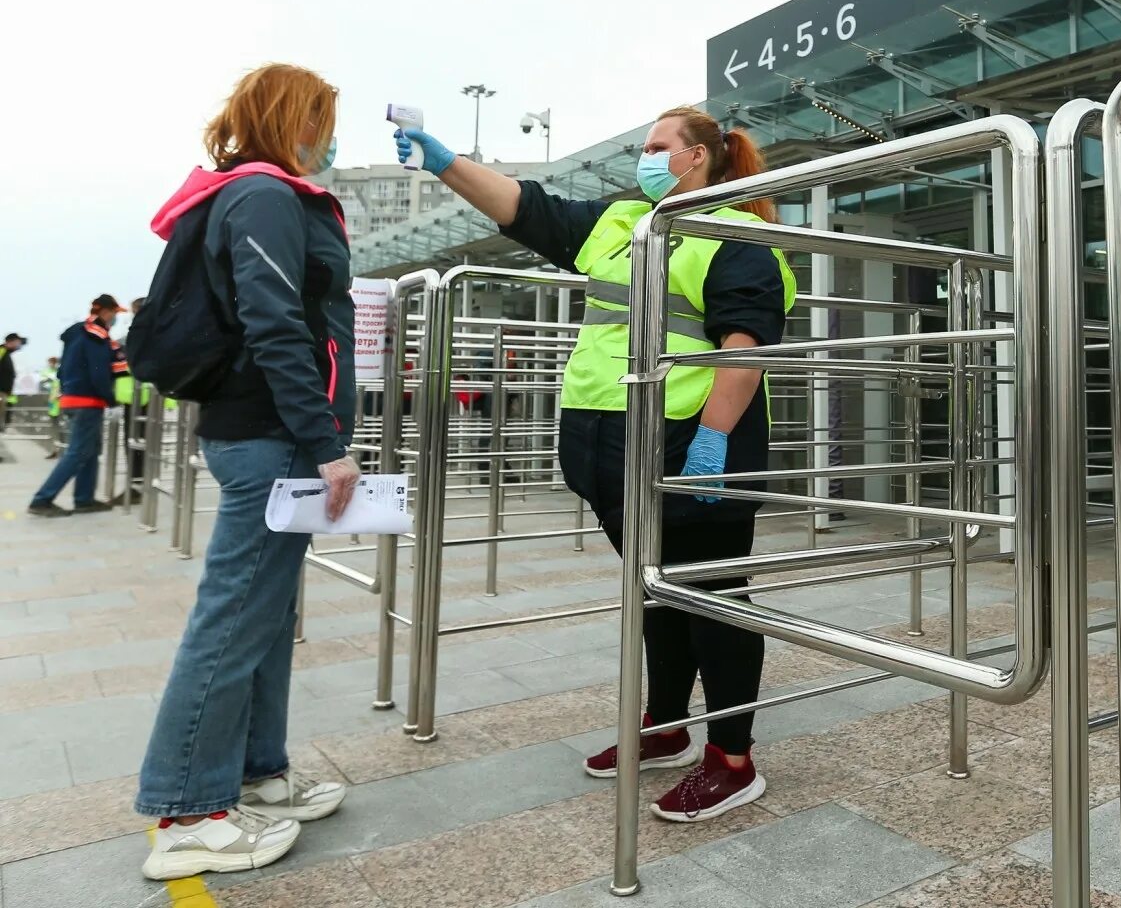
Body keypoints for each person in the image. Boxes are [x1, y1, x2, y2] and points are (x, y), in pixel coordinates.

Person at [396, 105, 794, 822]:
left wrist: (712, 441)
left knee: (713, 600)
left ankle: (733, 759)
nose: (643, 157)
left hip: (689, 449)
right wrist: (445, 162)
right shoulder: (622, 225)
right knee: (653, 594)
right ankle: (666, 725)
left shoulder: (732, 233)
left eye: (656, 146)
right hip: (610, 450)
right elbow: (527, 209)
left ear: (697, 157)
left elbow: (746, 344)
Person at [135, 63, 359, 881]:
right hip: (272, 435)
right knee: (232, 620)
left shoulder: (253, 192)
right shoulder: (263, 196)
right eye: (325, 120)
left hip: (276, 433)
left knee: (262, 617)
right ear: (296, 120)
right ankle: (187, 809)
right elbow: (274, 324)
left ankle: (259, 777)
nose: (331, 138)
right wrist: (325, 440)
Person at [27, 298, 125, 516]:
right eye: (115, 313)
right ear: (107, 312)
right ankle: (41, 500)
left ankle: (84, 499)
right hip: (88, 401)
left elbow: (62, 372)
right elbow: (99, 371)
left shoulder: (76, 335)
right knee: (78, 452)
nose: (116, 318)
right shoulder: (96, 336)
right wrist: (111, 401)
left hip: (72, 398)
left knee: (90, 451)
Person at [115, 297, 148, 504]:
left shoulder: (138, 333)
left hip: (136, 398)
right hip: (143, 397)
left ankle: (135, 488)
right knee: (141, 446)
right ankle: (137, 484)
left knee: (134, 444)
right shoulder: (157, 329)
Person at [0, 332, 23, 432]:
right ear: (11, 342)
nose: (19, 344)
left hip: (5, 391)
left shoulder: (7, 352)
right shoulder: (2, 350)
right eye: (18, 342)